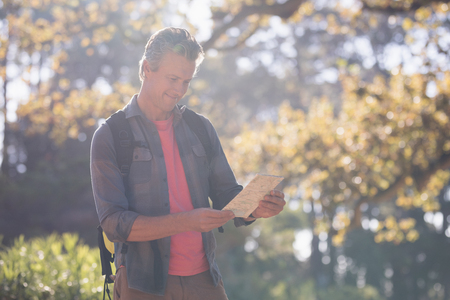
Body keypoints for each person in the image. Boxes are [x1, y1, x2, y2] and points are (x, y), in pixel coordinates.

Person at [90, 27, 286, 300]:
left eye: (186, 81)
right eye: (173, 78)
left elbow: (227, 195)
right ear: (147, 68)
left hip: (205, 281)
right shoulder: (111, 135)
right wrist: (186, 222)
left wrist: (256, 208)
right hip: (141, 284)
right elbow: (114, 224)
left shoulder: (201, 128)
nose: (179, 90)